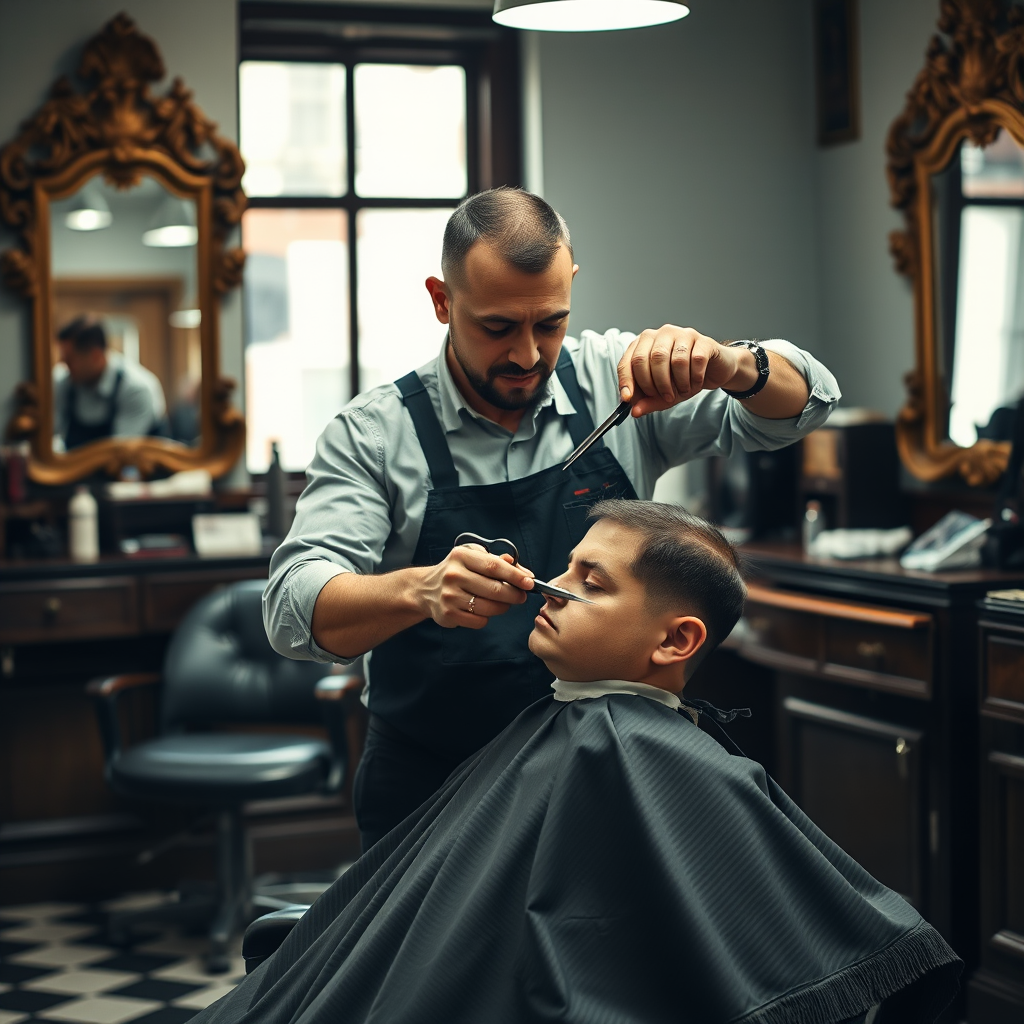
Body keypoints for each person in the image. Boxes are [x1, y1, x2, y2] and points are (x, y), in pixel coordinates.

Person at [202, 501, 960, 1024]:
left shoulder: (651, 758)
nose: (549, 589)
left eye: (590, 583)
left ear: (675, 642)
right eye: (567, 568)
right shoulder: (566, 729)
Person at [264, 186, 841, 850]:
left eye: (550, 324)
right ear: (442, 300)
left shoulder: (617, 384)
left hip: (602, 770)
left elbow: (809, 404)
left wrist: (730, 364)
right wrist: (420, 590)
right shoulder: (374, 434)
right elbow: (291, 609)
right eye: (498, 327)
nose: (529, 356)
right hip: (434, 784)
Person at [53, 315, 167, 449]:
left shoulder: (136, 388)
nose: (63, 366)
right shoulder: (63, 382)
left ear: (95, 356)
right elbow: (54, 433)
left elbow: (119, 454)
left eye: (70, 361)